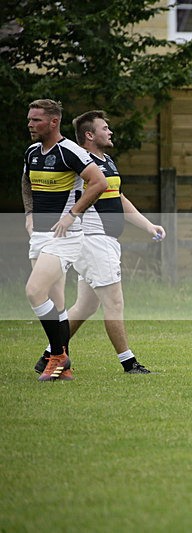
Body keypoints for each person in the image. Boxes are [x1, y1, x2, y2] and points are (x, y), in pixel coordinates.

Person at [34, 110, 164, 375]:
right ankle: (129, 363)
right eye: (105, 128)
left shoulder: (106, 161)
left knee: (86, 306)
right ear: (89, 135)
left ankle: (50, 354)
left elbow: (120, 198)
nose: (110, 131)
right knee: (114, 303)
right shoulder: (80, 162)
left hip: (102, 242)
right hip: (94, 241)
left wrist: (148, 225)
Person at [21, 99, 108, 381]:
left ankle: (57, 354)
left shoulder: (69, 151)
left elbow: (99, 183)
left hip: (65, 236)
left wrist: (72, 214)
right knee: (57, 304)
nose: (30, 124)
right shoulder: (33, 151)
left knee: (34, 291)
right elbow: (26, 182)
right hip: (41, 235)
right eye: (30, 119)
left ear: (54, 122)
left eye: (36, 120)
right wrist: (30, 213)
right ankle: (63, 369)